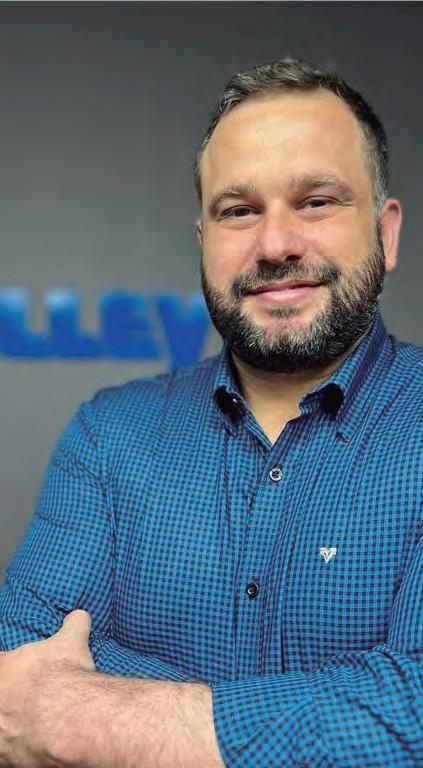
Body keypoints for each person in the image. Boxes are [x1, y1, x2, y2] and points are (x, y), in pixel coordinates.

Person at [0, 55, 421, 768]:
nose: (275, 245)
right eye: (238, 211)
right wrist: (336, 710)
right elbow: (22, 663)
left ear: (385, 234)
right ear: (203, 242)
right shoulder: (108, 435)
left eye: (317, 201)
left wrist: (96, 718)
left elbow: (415, 712)